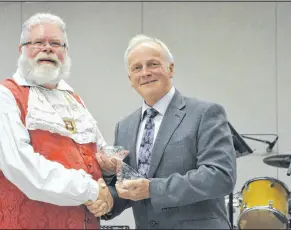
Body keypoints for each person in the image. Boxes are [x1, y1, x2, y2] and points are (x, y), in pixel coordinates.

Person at [0, 13, 113, 229]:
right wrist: (92, 191)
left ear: (65, 52)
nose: (47, 48)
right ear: (21, 50)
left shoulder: (74, 100)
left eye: (56, 43)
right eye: (38, 42)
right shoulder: (1, 97)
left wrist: (108, 173)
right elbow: (22, 167)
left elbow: (97, 156)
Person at [94, 34, 237, 229]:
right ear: (130, 79)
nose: (145, 73)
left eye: (153, 64)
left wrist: (153, 188)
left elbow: (220, 176)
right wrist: (105, 199)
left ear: (171, 69)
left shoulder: (205, 114)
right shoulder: (124, 127)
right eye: (137, 68)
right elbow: (130, 189)